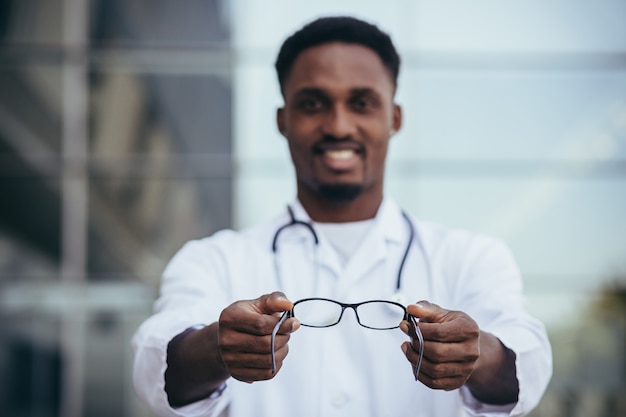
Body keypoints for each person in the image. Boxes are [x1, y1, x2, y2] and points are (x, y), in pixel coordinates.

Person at [132, 16, 552, 417]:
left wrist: (477, 353)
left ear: (395, 118)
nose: (338, 125)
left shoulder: (470, 257)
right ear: (283, 120)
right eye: (313, 103)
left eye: (362, 103)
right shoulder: (214, 260)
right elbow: (153, 367)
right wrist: (215, 348)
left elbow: (528, 362)